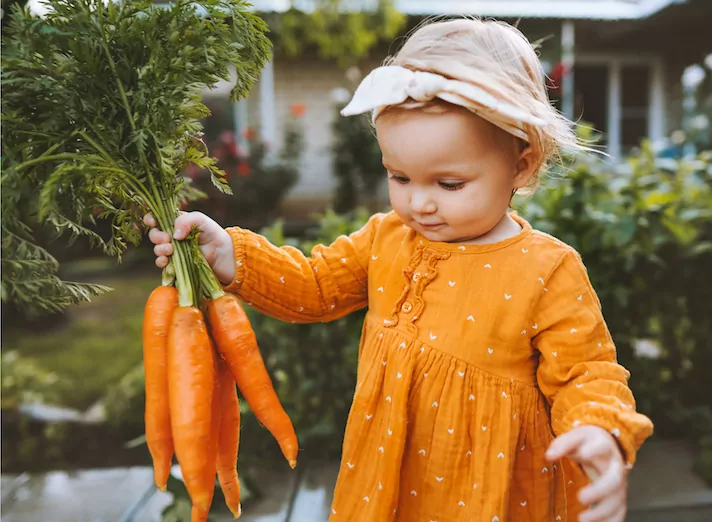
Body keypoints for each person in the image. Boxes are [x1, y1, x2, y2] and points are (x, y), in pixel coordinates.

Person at [145, 17, 653, 522]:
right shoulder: (387, 238)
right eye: (400, 176)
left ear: (521, 165)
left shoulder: (547, 268)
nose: (419, 203)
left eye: (449, 184)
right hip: (384, 481)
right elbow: (314, 286)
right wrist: (228, 254)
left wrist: (598, 428)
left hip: (491, 495)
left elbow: (587, 372)